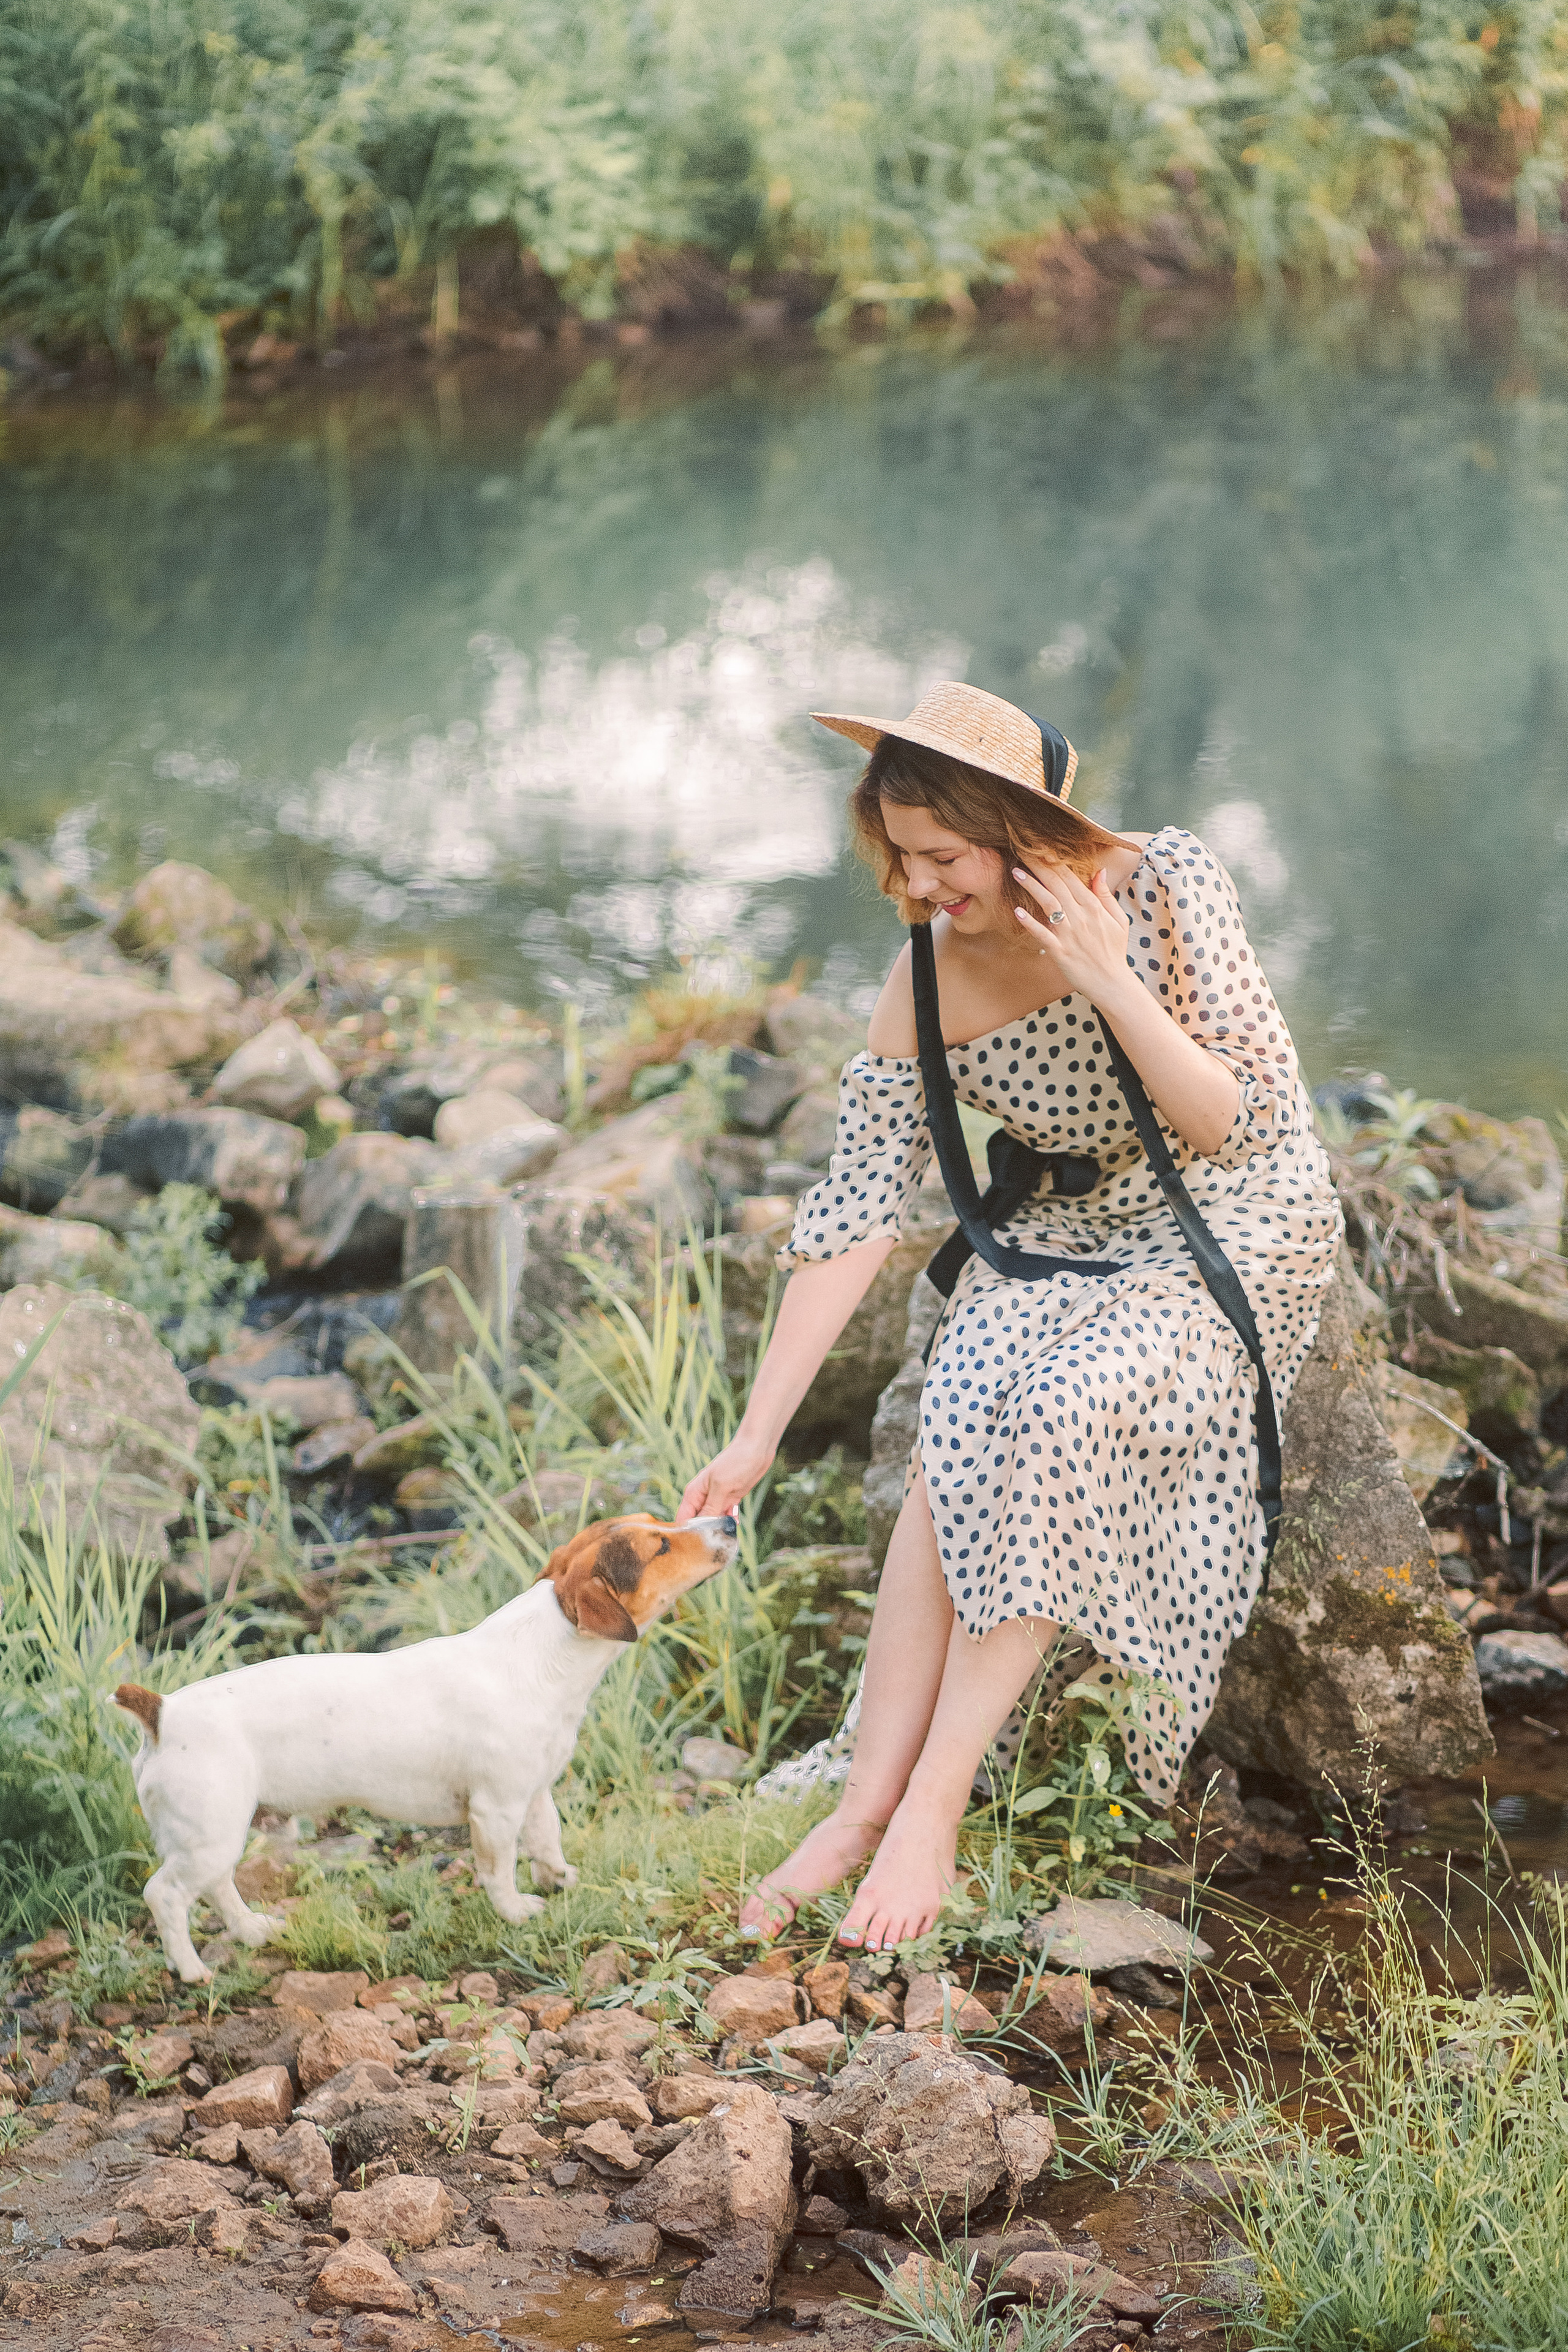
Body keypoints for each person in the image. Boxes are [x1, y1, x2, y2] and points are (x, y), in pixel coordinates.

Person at [677, 682, 1341, 1954]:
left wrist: (1109, 979)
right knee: (960, 1409)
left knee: (1061, 1408)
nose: (923, 887)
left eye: (944, 856)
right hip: (1066, 1229)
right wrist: (758, 1433)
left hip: (1233, 1211)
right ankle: (861, 1809)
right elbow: (853, 1214)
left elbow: (1229, 1121)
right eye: (901, 858)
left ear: (1017, 828)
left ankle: (934, 1804)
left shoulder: (1163, 885)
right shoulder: (919, 987)